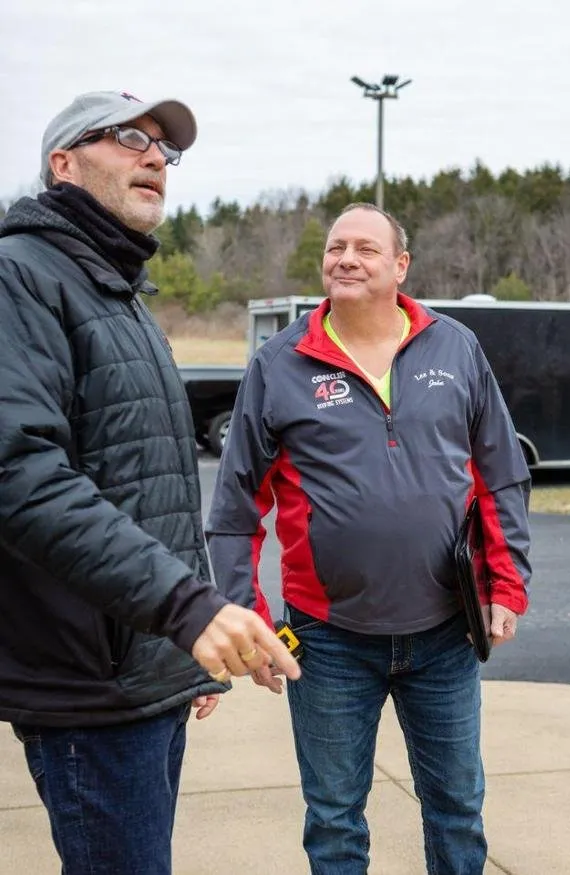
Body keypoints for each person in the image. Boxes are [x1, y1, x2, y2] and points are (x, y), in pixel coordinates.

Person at [0, 90, 300, 875]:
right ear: (62, 163)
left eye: (166, 148)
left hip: (144, 670)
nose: (155, 157)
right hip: (89, 684)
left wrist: (184, 649)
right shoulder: (19, 278)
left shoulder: (118, 292)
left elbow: (154, 485)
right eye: (130, 137)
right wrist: (185, 608)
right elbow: (20, 476)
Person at [207, 202, 532, 874]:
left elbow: (500, 474)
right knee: (333, 819)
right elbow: (236, 505)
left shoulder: (455, 347)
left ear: (399, 265)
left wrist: (508, 583)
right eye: (335, 247)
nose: (346, 259)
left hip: (445, 632)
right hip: (326, 642)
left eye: (365, 248)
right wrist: (250, 622)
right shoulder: (280, 363)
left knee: (457, 810)